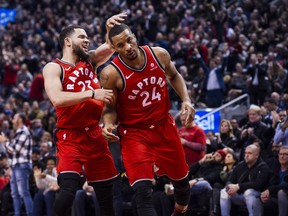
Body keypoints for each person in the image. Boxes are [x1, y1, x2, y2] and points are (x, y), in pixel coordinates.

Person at [100, 23, 195, 216]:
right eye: (120, 45)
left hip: (164, 126)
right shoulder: (110, 73)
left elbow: (175, 75)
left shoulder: (159, 54)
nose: (127, 47)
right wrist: (108, 124)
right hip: (135, 134)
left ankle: (179, 212)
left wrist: (186, 100)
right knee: (143, 192)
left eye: (129, 40)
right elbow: (109, 108)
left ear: (135, 36)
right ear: (114, 48)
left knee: (182, 184)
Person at [42, 13, 127, 216]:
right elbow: (57, 99)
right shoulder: (54, 67)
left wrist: (109, 28)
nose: (87, 39)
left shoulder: (90, 60)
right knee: (68, 192)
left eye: (88, 36)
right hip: (70, 136)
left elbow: (111, 47)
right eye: (82, 36)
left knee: (107, 195)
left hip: (94, 135)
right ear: (68, 41)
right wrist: (92, 93)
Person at [220, 144, 271, 216]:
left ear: (256, 155)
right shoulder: (240, 165)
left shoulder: (263, 167)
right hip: (240, 196)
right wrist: (230, 187)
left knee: (248, 192)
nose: (246, 155)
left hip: (257, 195)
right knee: (224, 191)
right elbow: (230, 180)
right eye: (245, 153)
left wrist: (238, 186)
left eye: (250, 153)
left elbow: (258, 184)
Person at [0, 113, 34, 216]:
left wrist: (5, 141)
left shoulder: (24, 132)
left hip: (22, 166)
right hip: (16, 166)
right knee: (14, 194)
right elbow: (13, 151)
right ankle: (17, 214)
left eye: (14, 118)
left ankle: (30, 214)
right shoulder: (18, 133)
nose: (12, 121)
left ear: (19, 119)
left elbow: (14, 149)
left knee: (24, 192)